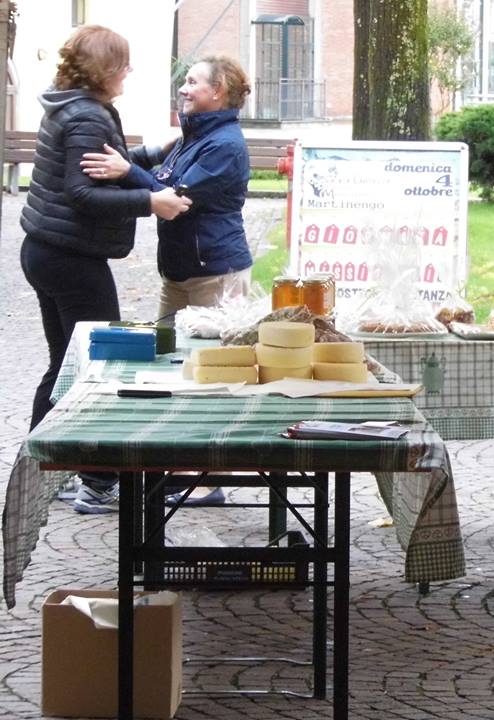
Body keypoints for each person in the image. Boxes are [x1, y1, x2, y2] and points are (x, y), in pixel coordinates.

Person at [19, 25, 191, 514]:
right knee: (99, 365)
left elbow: (100, 165)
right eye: (123, 63)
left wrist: (148, 156)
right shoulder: (87, 115)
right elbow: (82, 193)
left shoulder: (72, 106)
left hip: (46, 250)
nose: (128, 71)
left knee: (65, 365)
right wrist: (150, 201)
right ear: (104, 69)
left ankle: (44, 469)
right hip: (70, 258)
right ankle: (97, 482)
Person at [81, 55, 255, 506]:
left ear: (218, 91)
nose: (183, 87)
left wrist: (127, 173)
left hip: (216, 274)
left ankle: (210, 479)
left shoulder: (224, 145)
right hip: (179, 272)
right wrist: (130, 163)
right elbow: (161, 174)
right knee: (168, 366)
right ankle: (180, 467)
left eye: (193, 81)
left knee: (212, 378)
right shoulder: (194, 135)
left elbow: (175, 196)